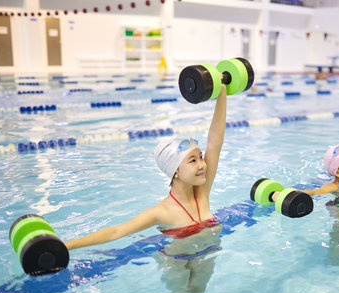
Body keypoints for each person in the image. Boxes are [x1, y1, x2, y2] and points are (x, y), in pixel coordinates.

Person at [65, 83, 227, 251]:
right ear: (176, 171)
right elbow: (116, 231)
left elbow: (215, 141)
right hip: (177, 264)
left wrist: (222, 91)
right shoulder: (161, 212)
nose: (202, 164)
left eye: (200, 157)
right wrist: (65, 246)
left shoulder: (202, 192)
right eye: (193, 161)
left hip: (205, 259)